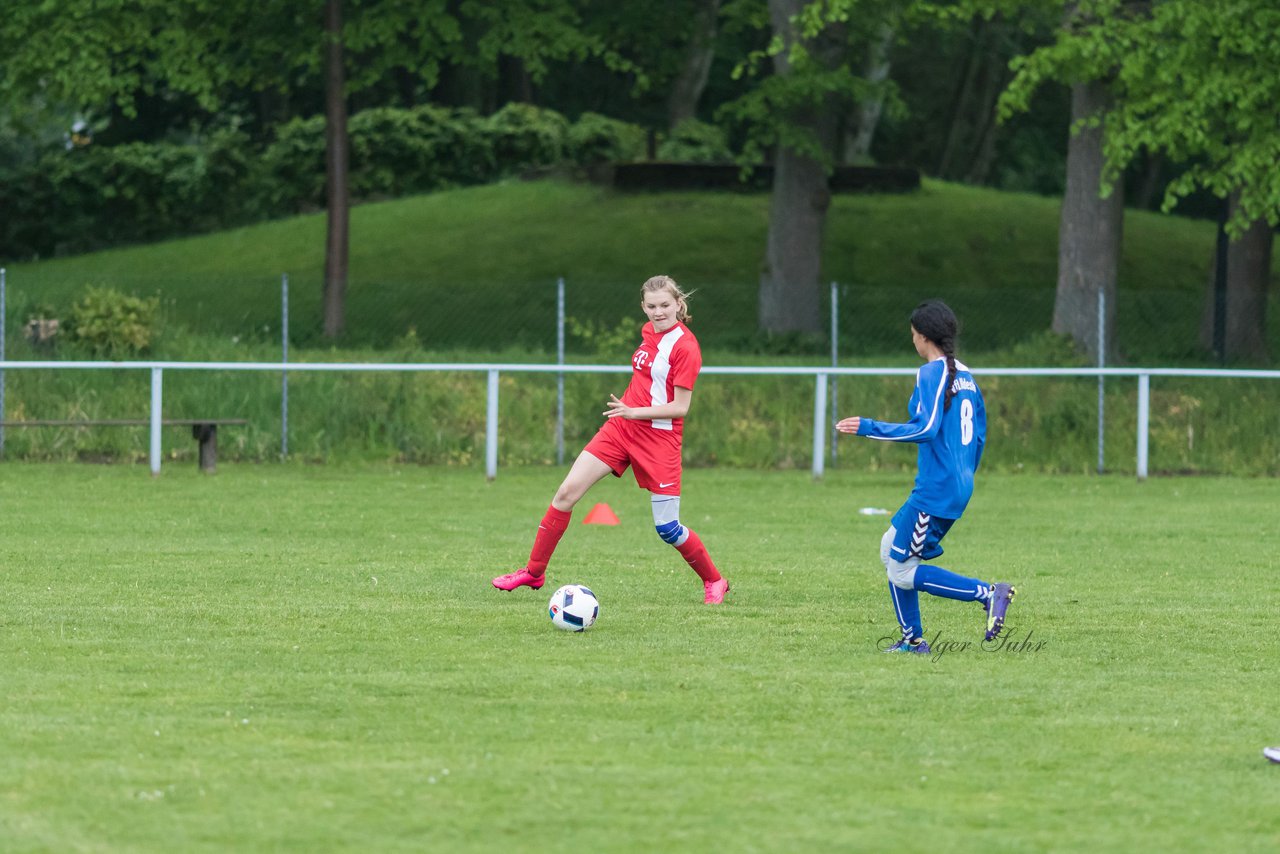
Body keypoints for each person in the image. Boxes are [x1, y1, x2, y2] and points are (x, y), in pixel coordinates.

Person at [492, 275, 729, 604]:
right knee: (565, 494)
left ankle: (715, 580)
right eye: (651, 306)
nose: (658, 312)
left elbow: (681, 407)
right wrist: (629, 414)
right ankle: (533, 573)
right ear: (643, 306)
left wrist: (635, 411)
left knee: (668, 528)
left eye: (665, 305)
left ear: (679, 303)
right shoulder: (648, 333)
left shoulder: (686, 347)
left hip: (659, 440)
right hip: (621, 430)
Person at [836, 299, 1015, 654]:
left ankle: (988, 594)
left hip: (937, 490)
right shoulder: (965, 376)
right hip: (954, 483)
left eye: (913, 335)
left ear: (922, 337)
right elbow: (979, 436)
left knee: (901, 570)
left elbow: (927, 428)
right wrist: (962, 473)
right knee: (891, 550)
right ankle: (912, 640)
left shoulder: (932, 372)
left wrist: (870, 428)